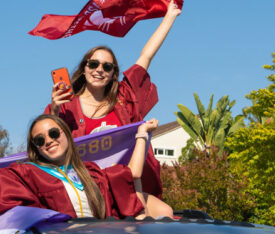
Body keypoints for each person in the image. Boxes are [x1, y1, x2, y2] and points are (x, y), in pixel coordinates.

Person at [0, 114, 173, 221]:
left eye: (53, 133)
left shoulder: (92, 172)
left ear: (66, 135)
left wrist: (142, 134)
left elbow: (132, 173)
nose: (49, 141)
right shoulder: (30, 174)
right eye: (40, 140)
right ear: (35, 148)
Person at [45, 0, 182, 199]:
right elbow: (45, 146)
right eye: (93, 64)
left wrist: (169, 17)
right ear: (84, 69)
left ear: (113, 74)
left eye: (107, 67)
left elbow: (146, 57)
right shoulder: (65, 106)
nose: (99, 70)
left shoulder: (125, 99)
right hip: (81, 193)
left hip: (122, 190)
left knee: (166, 213)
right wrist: (55, 111)